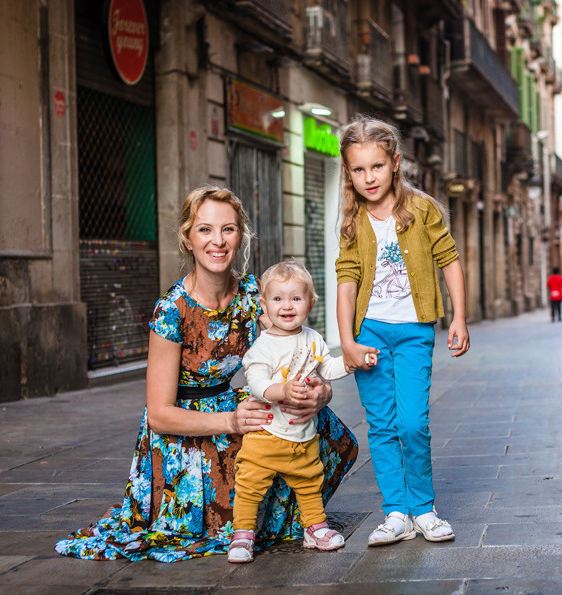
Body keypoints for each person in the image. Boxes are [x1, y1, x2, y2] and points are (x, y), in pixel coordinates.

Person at [55, 186, 358, 562]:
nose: (218, 241)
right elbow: (160, 413)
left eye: (228, 229)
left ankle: (303, 518)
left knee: (325, 429)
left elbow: (298, 348)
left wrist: (321, 392)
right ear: (188, 237)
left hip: (236, 405)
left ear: (241, 235)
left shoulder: (253, 296)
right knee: (235, 503)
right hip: (186, 428)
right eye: (205, 230)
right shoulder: (171, 310)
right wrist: (230, 420)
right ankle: (265, 520)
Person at [335, 116, 470, 547]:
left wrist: (459, 318)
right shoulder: (353, 219)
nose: (368, 177)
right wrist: (348, 343)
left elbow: (449, 260)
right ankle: (396, 512)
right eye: (358, 169)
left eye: (376, 166)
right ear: (348, 173)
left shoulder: (423, 209)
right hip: (369, 332)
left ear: (395, 163)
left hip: (413, 331)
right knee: (382, 425)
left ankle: (425, 509)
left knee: (413, 422)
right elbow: (346, 279)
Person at [229, 261, 354, 563]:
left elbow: (327, 366)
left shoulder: (312, 338)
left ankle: (315, 527)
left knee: (311, 481)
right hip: (267, 434)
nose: (287, 306)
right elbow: (257, 383)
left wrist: (350, 362)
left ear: (310, 303)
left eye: (296, 298)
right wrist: (282, 390)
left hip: (302, 432)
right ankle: (243, 535)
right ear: (264, 304)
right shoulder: (263, 346)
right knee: (249, 484)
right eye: (277, 299)